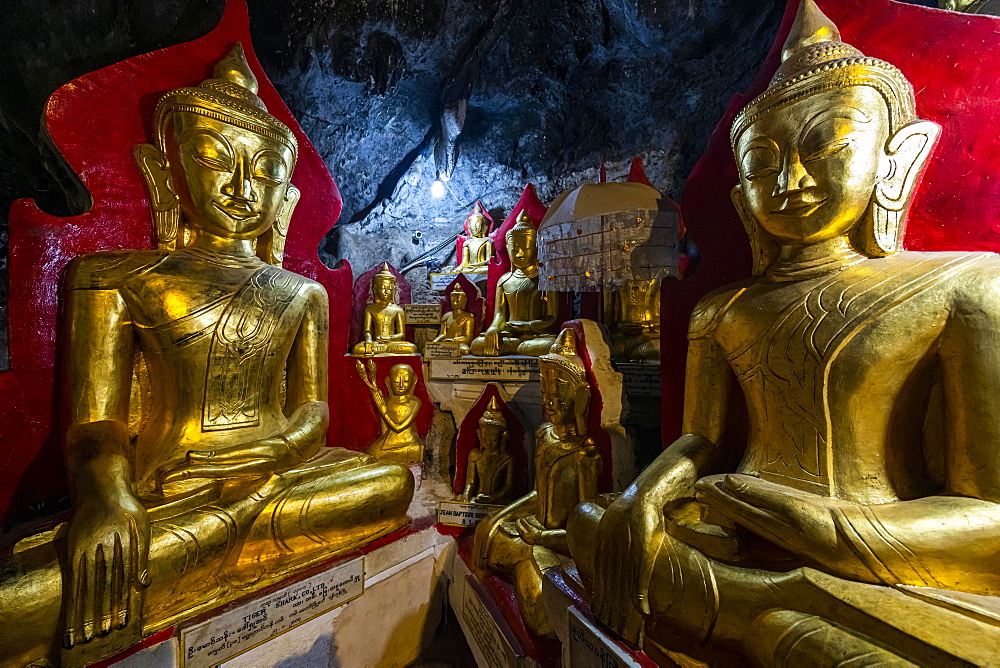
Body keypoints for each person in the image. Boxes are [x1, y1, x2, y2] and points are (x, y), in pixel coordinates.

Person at [567, 2, 1000, 664]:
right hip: (731, 542)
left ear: (894, 160)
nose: (790, 180)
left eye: (825, 144)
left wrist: (829, 530)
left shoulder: (965, 287)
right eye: (762, 162)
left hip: (868, 560)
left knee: (794, 636)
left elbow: (991, 520)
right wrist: (644, 492)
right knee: (591, 528)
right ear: (741, 194)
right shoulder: (724, 309)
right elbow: (703, 439)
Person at [0, 44, 414, 666]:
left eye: (266, 175)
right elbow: (95, 425)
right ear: (168, 171)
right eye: (217, 160)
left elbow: (313, 415)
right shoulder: (115, 277)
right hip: (164, 493)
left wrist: (273, 452)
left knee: (391, 484)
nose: (245, 189)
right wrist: (106, 498)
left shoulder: (301, 294)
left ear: (286, 198)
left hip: (277, 477)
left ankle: (207, 547)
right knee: (19, 605)